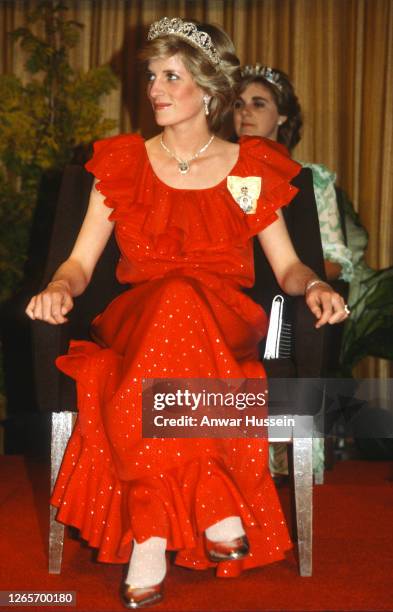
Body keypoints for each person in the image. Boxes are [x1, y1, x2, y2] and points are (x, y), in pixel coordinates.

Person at [26, 19, 348, 609]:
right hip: (138, 314)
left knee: (184, 300)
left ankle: (149, 528)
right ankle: (210, 497)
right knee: (171, 296)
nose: (154, 88)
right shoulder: (122, 163)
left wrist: (317, 285)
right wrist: (56, 287)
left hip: (222, 318)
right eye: (152, 75)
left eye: (171, 76)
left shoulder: (249, 169)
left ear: (208, 88)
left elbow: (287, 269)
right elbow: (78, 262)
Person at [233, 64, 355, 478]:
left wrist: (297, 275)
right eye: (237, 103)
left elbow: (338, 257)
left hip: (289, 297)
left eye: (258, 103)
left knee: (288, 314)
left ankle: (292, 463)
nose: (245, 112)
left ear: (282, 115)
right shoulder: (215, 170)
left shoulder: (309, 179)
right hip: (228, 292)